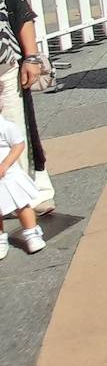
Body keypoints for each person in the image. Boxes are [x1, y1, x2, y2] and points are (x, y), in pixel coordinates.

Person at [0, 0, 55, 215]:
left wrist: (31, 57)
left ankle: (30, 195)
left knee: (16, 129)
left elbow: (22, 14)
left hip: (6, 67)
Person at [0, 110, 46, 257]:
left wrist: (6, 164)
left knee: (22, 205)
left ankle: (31, 233)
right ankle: (1, 240)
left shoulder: (6, 127)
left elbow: (18, 145)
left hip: (9, 176)